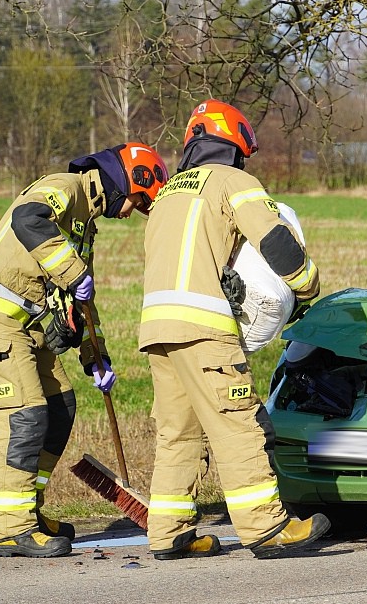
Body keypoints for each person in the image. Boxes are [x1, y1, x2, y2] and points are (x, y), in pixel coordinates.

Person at [0, 143, 169, 558]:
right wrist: (72, 271)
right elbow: (27, 218)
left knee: (61, 407)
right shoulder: (64, 188)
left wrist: (96, 360)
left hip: (26, 330)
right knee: (24, 419)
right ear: (129, 182)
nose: (130, 214)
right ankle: (12, 529)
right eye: (138, 203)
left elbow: (82, 301)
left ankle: (28, 511)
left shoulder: (84, 222)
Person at [139, 99, 329, 560]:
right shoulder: (233, 181)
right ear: (235, 145)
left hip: (158, 329)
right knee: (237, 425)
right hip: (205, 328)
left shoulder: (167, 193)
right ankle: (266, 528)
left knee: (177, 433)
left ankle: (169, 532)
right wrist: (307, 286)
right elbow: (275, 239)